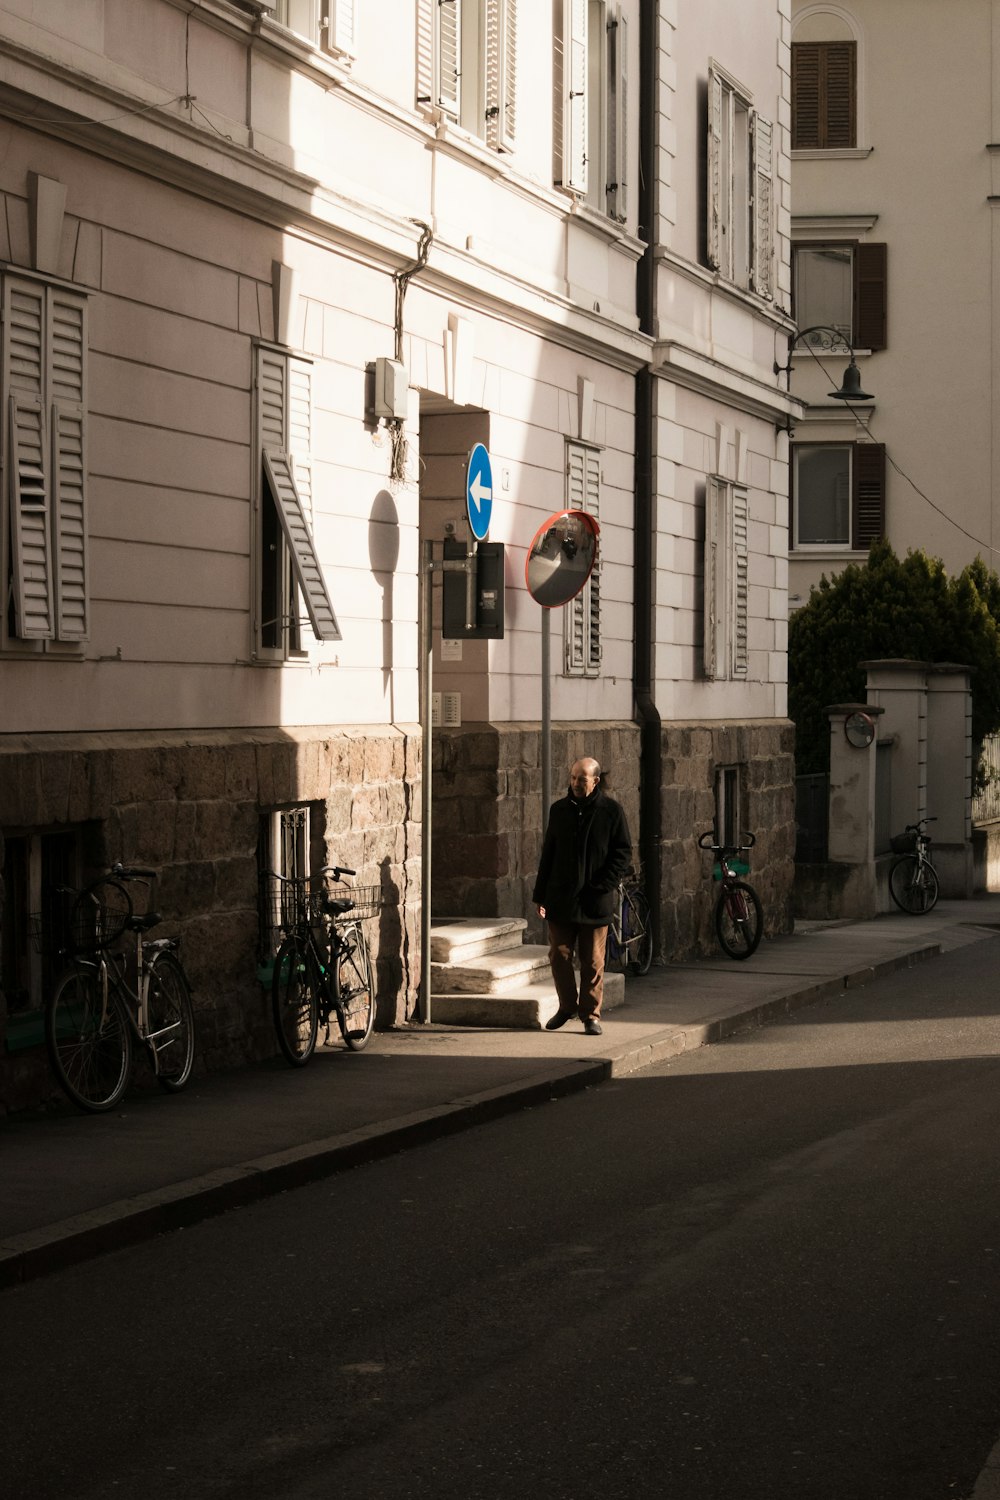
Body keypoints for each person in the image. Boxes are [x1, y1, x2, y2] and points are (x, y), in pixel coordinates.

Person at [532, 756, 632, 1036]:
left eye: (582, 779)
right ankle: (567, 1006)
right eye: (573, 777)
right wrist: (541, 895)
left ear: (596, 781)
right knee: (558, 955)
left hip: (594, 899)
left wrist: (603, 885)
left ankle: (591, 1015)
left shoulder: (611, 811)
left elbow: (622, 853)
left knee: (592, 961)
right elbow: (548, 854)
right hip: (561, 898)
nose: (576, 783)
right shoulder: (559, 810)